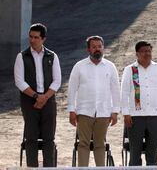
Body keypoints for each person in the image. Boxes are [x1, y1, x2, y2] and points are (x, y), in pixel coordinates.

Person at [67, 35, 120, 167]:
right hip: (84, 111)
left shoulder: (110, 66)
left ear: (103, 48)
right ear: (88, 50)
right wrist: (71, 110)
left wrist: (115, 111)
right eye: (94, 47)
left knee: (100, 144)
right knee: (83, 144)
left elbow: (115, 90)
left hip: (104, 112)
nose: (97, 49)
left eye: (100, 46)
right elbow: (72, 89)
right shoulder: (79, 66)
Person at [14, 23, 61, 167]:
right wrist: (36, 97)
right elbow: (19, 81)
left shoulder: (52, 56)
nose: (32, 40)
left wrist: (44, 97)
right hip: (29, 103)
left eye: (36, 37)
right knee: (31, 139)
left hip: (48, 102)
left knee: (49, 139)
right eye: (30, 36)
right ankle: (31, 169)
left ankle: (49, 168)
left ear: (43, 39)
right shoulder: (22, 56)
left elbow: (57, 80)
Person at [121, 41, 157, 166]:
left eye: (149, 51)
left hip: (155, 117)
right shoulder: (130, 70)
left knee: (152, 153)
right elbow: (124, 92)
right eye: (143, 51)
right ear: (137, 54)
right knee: (135, 153)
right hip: (135, 118)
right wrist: (126, 113)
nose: (147, 53)